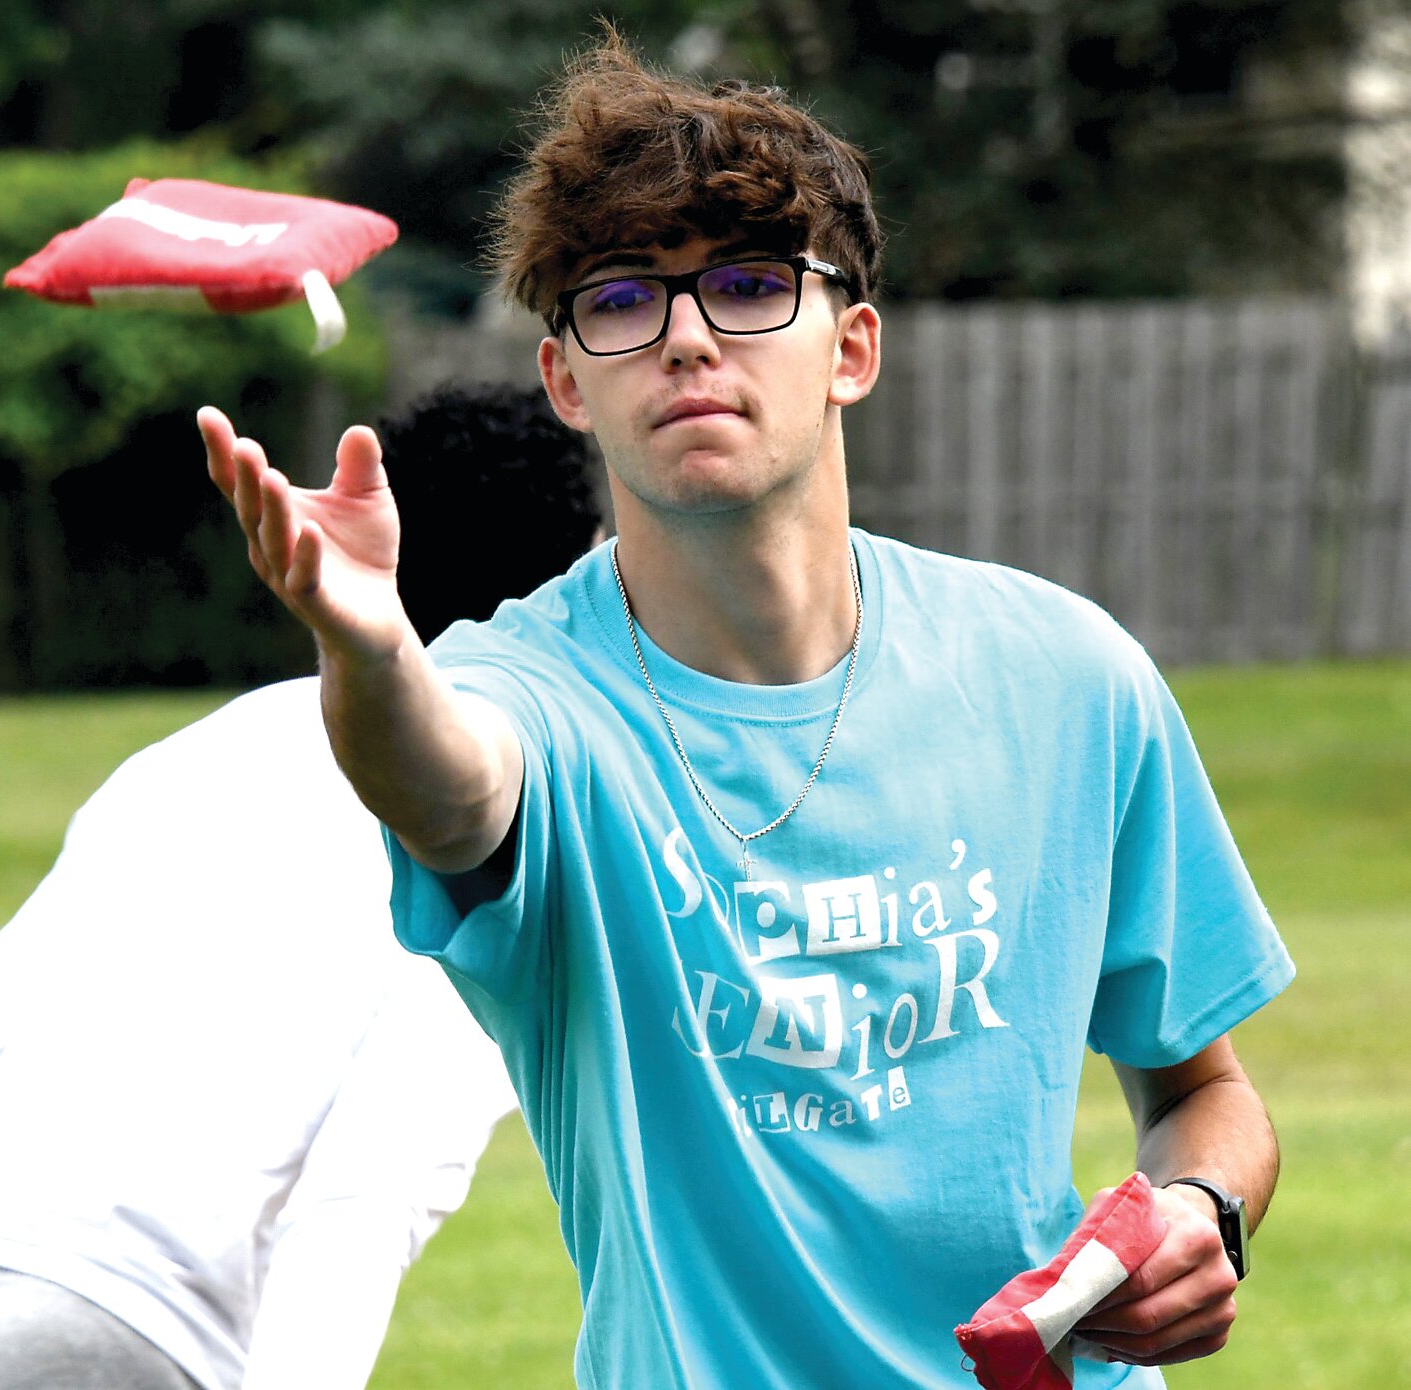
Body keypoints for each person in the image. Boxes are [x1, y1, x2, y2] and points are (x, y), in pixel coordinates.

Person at [199, 32, 1295, 1390]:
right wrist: (367, 652)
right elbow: (451, 785)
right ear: (565, 384)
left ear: (852, 347)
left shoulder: (1070, 676)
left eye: (748, 285)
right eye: (621, 300)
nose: (689, 336)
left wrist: (1202, 1213)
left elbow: (1204, 1092)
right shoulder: (531, 693)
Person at [0, 382, 601, 1390]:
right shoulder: (490, 834)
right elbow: (365, 1193)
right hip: (112, 1331)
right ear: (567, 580)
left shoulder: (200, 750)